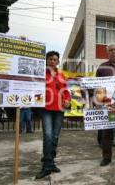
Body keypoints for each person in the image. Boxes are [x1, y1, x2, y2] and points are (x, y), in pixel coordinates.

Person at [35, 51, 71, 179]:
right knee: (48, 135)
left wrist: (67, 99)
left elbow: (65, 90)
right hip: (46, 108)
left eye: (55, 59)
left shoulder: (61, 74)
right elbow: (35, 89)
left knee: (55, 136)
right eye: (50, 59)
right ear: (46, 60)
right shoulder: (41, 74)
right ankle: (46, 166)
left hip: (60, 109)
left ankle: (51, 162)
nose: (52, 61)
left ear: (58, 61)